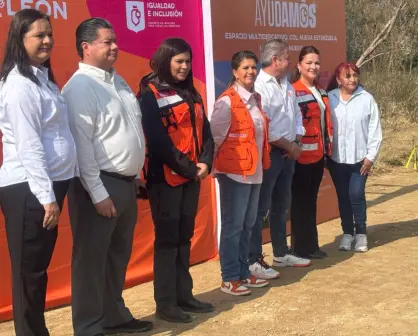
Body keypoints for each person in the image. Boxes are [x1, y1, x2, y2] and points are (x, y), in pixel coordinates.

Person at [62, 18, 152, 335]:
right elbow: (81, 146)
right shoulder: (79, 88)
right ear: (85, 47)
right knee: (91, 261)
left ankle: (113, 315)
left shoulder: (117, 80)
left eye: (114, 40)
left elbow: (125, 132)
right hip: (97, 186)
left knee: (116, 257)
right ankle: (88, 327)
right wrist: (98, 193)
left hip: (125, 184)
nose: (114, 46)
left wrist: (135, 173)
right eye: (106, 41)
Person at [0, 9, 77, 336]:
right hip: (29, 190)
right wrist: (47, 198)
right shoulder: (19, 86)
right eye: (39, 36)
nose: (47, 41)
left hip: (45, 188)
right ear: (20, 39)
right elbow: (29, 145)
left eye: (49, 34)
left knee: (37, 270)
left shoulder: (40, 79)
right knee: (28, 273)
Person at [138, 38, 214, 323]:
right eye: (178, 61)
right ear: (165, 61)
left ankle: (184, 295)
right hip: (165, 179)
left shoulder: (190, 91)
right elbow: (157, 141)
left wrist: (205, 161)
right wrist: (189, 168)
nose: (184, 66)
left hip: (192, 176)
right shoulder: (150, 92)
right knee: (168, 240)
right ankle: (166, 303)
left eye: (187, 61)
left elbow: (204, 130)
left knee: (184, 237)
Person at [248, 39, 312, 280]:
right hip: (271, 152)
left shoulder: (286, 82)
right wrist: (287, 145)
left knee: (281, 204)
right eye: (286, 58)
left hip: (289, 151)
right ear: (275, 60)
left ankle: (281, 253)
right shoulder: (259, 85)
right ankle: (254, 258)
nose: (289, 62)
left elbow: (295, 113)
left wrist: (296, 140)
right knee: (260, 208)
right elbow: (264, 124)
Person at [211, 51, 272, 296]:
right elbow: (214, 139)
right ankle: (229, 277)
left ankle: (244, 272)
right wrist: (217, 169)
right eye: (245, 68)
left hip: (254, 171)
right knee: (233, 226)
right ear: (234, 72)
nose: (250, 72)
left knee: (248, 224)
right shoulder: (226, 102)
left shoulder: (254, 99)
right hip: (234, 173)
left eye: (253, 67)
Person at [327, 62, 382, 252]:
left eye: (355, 75)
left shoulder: (367, 99)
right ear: (338, 79)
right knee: (343, 196)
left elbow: (375, 130)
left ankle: (361, 234)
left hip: (360, 159)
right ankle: (347, 233)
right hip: (337, 159)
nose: (352, 79)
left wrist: (370, 157)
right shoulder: (330, 98)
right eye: (347, 76)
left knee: (356, 194)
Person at [290, 46, 333, 259]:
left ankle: (311, 246)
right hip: (299, 157)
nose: (313, 67)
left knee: (310, 202)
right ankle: (299, 248)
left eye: (316, 63)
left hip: (318, 156)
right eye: (309, 63)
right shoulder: (292, 90)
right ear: (299, 65)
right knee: (299, 203)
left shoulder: (321, 90)